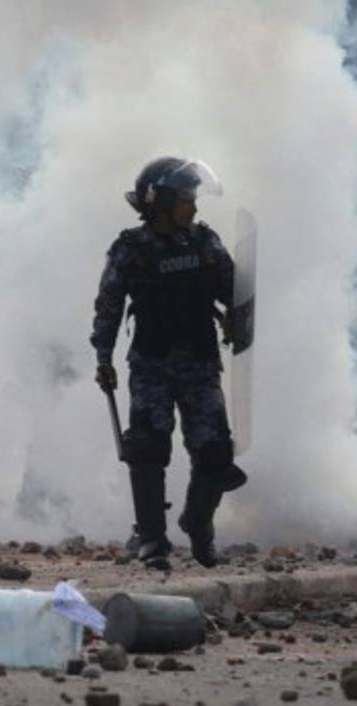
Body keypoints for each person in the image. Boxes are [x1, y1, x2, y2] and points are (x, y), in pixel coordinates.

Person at [91, 157, 247, 569]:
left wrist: (237, 315)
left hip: (199, 362)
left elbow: (233, 290)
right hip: (151, 365)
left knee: (214, 453)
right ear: (158, 202)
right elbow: (109, 305)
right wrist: (103, 356)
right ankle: (153, 542)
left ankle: (197, 524)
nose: (193, 208)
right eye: (184, 200)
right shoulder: (132, 249)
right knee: (147, 449)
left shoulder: (204, 244)